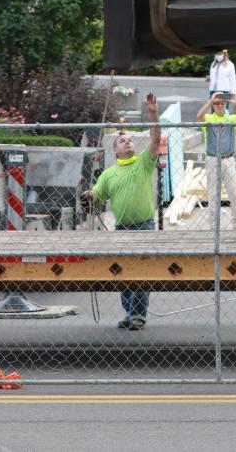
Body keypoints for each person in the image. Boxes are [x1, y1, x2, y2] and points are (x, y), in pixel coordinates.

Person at [85, 93, 161, 331]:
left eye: (130, 140)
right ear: (115, 150)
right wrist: (89, 197)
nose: (128, 142)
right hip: (122, 228)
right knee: (123, 273)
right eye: (122, 141)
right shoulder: (109, 174)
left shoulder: (143, 163)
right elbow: (97, 195)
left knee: (140, 272)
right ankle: (129, 312)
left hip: (144, 226)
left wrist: (153, 112)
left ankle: (138, 314)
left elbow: (156, 139)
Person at [196, 91, 236, 231]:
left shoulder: (230, 119)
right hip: (212, 159)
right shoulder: (209, 118)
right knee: (213, 194)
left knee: (234, 194)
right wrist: (210, 101)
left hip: (229, 159)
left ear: (225, 105)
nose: (220, 106)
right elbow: (199, 116)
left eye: (222, 103)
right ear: (213, 106)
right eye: (217, 104)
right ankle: (214, 227)